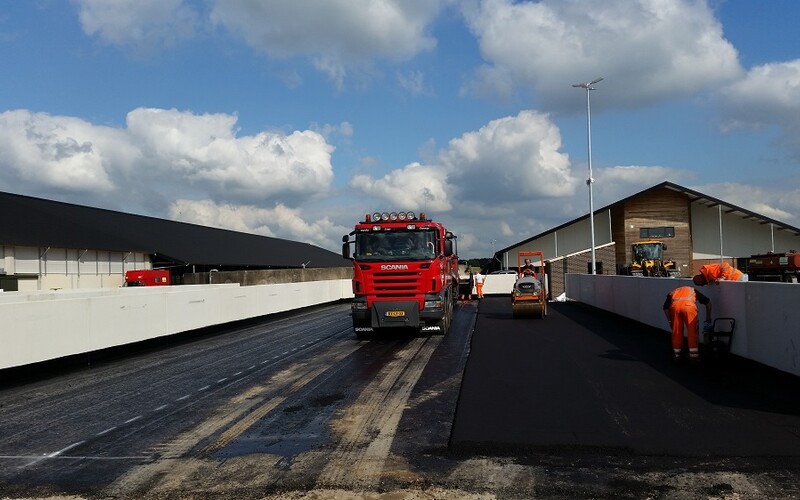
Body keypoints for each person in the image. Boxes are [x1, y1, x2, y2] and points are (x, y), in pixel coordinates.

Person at [663, 285, 712, 364]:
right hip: (689, 308)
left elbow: (665, 308)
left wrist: (670, 321)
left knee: (677, 332)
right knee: (692, 332)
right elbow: (708, 303)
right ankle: (693, 357)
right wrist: (708, 318)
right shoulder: (692, 290)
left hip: (675, 308)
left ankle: (677, 356)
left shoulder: (672, 292)